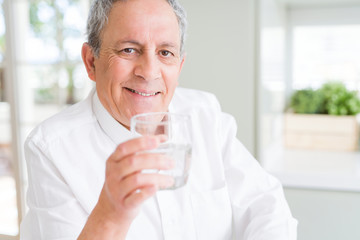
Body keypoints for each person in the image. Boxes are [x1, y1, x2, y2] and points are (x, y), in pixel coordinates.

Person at [20, 0, 297, 239]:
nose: (149, 71)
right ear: (91, 62)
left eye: (165, 53)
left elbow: (266, 205)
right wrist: (111, 213)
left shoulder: (204, 114)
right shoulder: (50, 148)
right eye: (129, 49)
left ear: (179, 65)